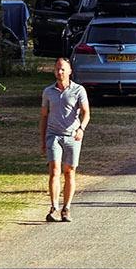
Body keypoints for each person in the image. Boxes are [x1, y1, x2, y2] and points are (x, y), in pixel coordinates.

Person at [39, 57, 90, 223]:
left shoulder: (79, 90)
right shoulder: (48, 92)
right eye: (57, 69)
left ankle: (66, 208)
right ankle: (54, 207)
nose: (59, 72)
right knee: (54, 170)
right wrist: (43, 140)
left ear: (70, 71)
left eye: (62, 69)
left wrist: (81, 129)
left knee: (69, 171)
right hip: (53, 135)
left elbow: (86, 113)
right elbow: (44, 116)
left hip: (72, 136)